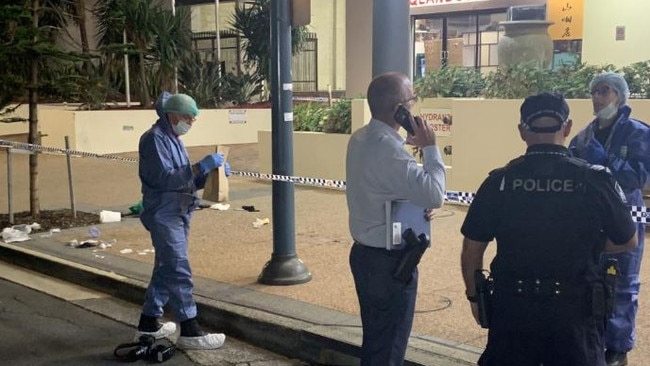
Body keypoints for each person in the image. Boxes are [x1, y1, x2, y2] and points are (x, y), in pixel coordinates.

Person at [460, 92, 638, 366]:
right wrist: (587, 242)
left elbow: (472, 249)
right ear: (567, 128)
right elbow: (628, 240)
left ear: (521, 131)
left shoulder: (500, 182)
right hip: (576, 312)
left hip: (514, 311)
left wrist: (475, 297)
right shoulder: (595, 179)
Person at [345, 71, 446, 365]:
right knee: (388, 349)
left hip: (366, 257)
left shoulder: (361, 139)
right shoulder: (388, 149)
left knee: (377, 342)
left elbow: (384, 189)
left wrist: (416, 203)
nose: (414, 107)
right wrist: (430, 147)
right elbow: (435, 194)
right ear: (398, 110)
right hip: (389, 265)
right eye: (411, 101)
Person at [135, 92, 230, 350]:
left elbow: (184, 179)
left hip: (178, 212)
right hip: (164, 214)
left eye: (193, 118)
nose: (191, 122)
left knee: (166, 267)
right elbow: (165, 179)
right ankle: (190, 329)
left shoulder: (172, 139)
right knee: (178, 268)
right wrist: (200, 168)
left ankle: (148, 322)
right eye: (188, 117)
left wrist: (209, 174)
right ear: (172, 114)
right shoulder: (153, 139)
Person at [569, 72, 650, 366]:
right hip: (589, 219)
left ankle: (618, 347)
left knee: (623, 282)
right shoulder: (583, 137)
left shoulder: (638, 133)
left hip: (625, 218)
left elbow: (639, 177)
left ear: (620, 95)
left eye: (604, 91)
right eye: (594, 91)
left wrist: (606, 162)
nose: (597, 97)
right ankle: (592, 338)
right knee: (590, 277)